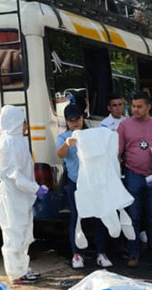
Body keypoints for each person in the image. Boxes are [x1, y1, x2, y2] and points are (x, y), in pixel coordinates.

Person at [118, 91, 152, 268]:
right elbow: (118, 152)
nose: (135, 109)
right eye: (133, 106)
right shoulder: (124, 125)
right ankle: (133, 254)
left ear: (148, 107)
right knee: (133, 216)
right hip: (133, 174)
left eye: (139, 106)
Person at [0, 105, 45, 283]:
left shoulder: (17, 141)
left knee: (24, 233)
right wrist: (34, 188)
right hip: (12, 195)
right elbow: (14, 175)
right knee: (14, 234)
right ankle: (16, 274)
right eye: (23, 122)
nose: (25, 126)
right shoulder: (7, 143)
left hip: (21, 196)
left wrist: (32, 188)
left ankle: (23, 268)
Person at [57, 103, 89, 269]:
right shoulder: (64, 137)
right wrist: (67, 144)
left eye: (78, 119)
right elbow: (60, 154)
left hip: (92, 182)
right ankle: (76, 254)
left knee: (97, 217)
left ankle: (101, 252)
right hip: (74, 182)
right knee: (75, 217)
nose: (75, 123)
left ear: (83, 118)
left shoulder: (91, 134)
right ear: (67, 122)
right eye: (71, 120)